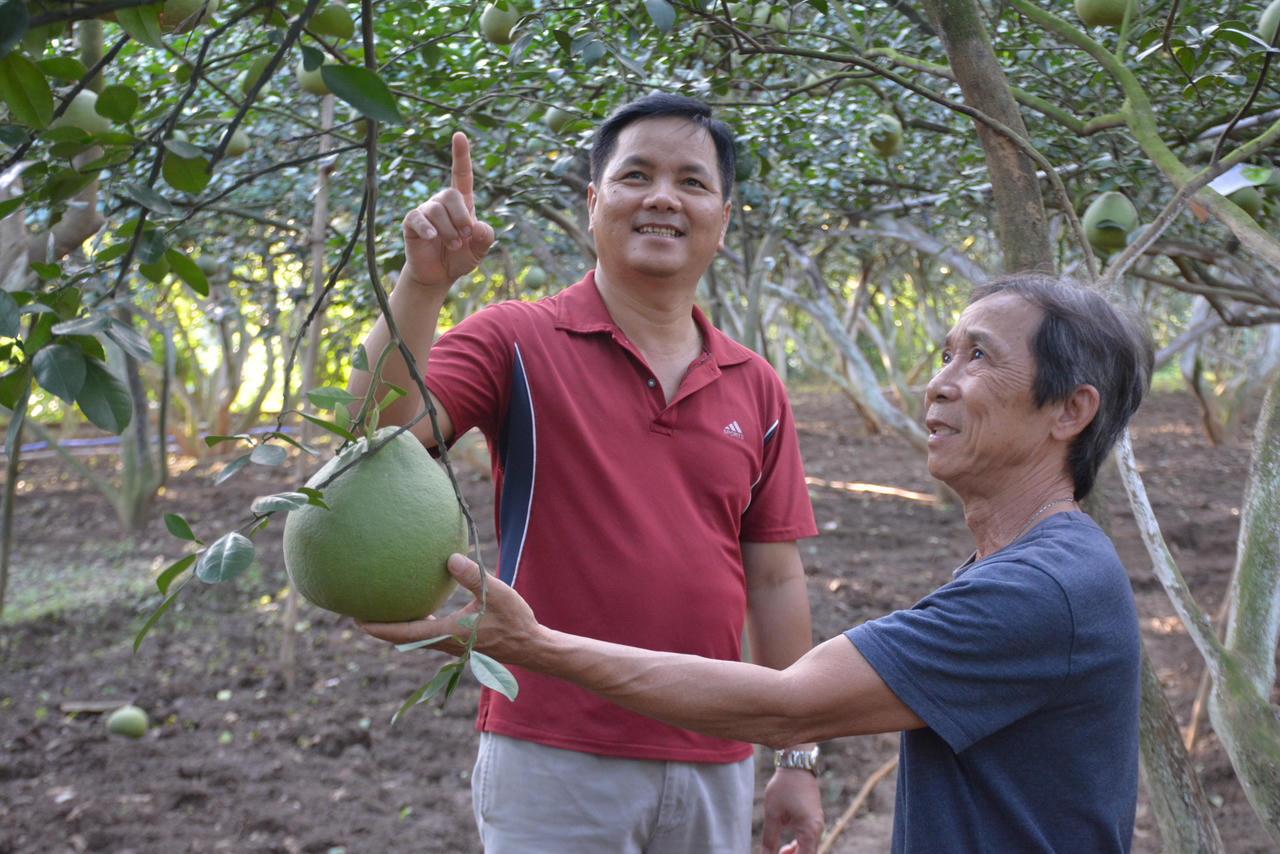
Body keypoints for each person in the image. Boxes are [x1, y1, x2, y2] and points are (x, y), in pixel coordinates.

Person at [361, 273, 1156, 853]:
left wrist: (533, 646)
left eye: (977, 357)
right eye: (944, 353)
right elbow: (380, 431)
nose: (937, 386)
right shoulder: (1030, 565)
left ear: (1069, 410)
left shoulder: (1039, 588)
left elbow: (789, 702)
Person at [347, 93, 824, 853]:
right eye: (637, 176)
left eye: (693, 183)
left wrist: (794, 757)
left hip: (717, 748)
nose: (664, 197)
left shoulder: (755, 383)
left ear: (723, 219)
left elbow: (773, 577)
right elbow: (379, 437)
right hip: (554, 751)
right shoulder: (516, 339)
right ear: (595, 203)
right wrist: (424, 283)